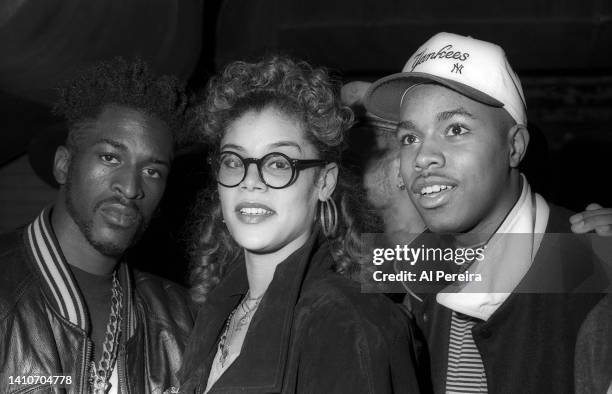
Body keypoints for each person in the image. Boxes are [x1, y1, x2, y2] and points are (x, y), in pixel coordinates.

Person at [363, 32, 610, 393]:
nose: (423, 157)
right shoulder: (413, 280)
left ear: (514, 147)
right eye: (409, 138)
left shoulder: (595, 270)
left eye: (456, 129)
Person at [175, 56, 422, 393]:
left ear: (324, 182)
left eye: (278, 163)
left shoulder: (347, 323)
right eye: (234, 161)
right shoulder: (219, 308)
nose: (251, 181)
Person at [0, 58, 194, 393]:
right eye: (110, 157)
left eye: (153, 171)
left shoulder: (182, 318)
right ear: (63, 166)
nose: (132, 187)